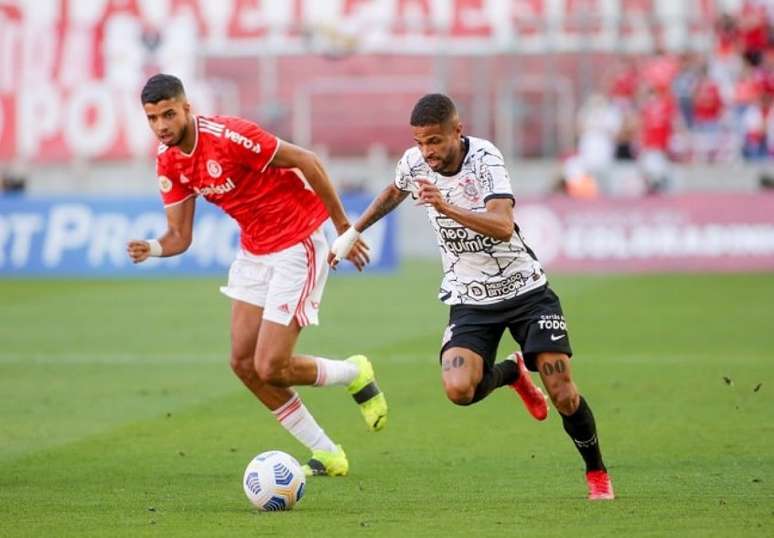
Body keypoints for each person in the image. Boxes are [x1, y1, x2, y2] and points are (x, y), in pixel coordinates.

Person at [330, 94, 614, 500]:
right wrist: (353, 232)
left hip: (525, 290)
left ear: (456, 131)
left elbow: (501, 225)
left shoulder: (485, 160)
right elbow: (395, 191)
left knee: (564, 392)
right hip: (470, 297)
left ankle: (597, 472)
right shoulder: (415, 163)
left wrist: (445, 207)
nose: (426, 152)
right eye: (420, 142)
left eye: (435, 141)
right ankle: (513, 374)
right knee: (459, 390)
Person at [127, 74, 387, 477]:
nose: (161, 125)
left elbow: (308, 161)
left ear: (186, 108)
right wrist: (155, 248)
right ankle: (327, 452)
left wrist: (343, 229)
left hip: (299, 240)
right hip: (255, 251)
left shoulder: (229, 136)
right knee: (243, 364)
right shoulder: (168, 160)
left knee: (270, 365)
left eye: (168, 114)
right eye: (152, 118)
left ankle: (354, 372)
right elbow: (180, 236)